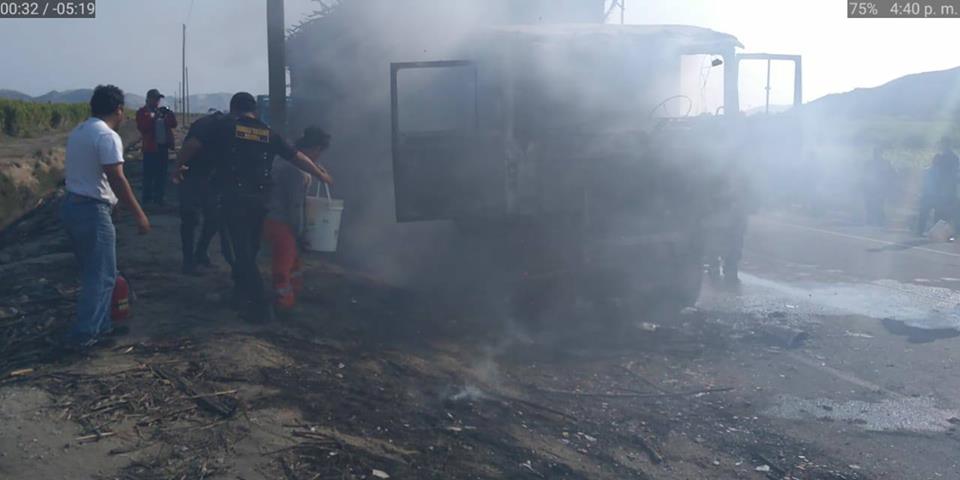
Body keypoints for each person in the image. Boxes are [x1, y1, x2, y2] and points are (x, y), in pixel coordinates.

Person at [174, 92, 333, 323]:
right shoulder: (267, 132)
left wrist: (178, 166)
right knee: (250, 249)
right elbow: (296, 157)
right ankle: (241, 297)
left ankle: (259, 305)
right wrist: (319, 174)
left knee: (239, 254)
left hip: (231, 199)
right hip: (260, 203)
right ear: (255, 110)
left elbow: (192, 144)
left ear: (233, 109)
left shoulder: (223, 127)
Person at [60, 85, 151, 350]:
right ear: (119, 110)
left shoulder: (79, 131)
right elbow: (117, 177)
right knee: (101, 277)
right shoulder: (107, 136)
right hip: (91, 212)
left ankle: (99, 327)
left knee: (94, 273)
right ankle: (86, 335)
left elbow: (95, 174)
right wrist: (139, 215)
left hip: (73, 207)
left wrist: (111, 201)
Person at [264, 127, 332, 314]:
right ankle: (282, 303)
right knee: (283, 265)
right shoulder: (295, 171)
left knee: (291, 261)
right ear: (315, 148)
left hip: (271, 216)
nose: (319, 157)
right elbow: (295, 205)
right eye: (319, 152)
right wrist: (300, 232)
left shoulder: (285, 159)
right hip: (279, 221)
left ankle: (293, 294)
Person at [177, 110, 234, 274]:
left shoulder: (218, 124)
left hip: (210, 177)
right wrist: (178, 167)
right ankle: (189, 262)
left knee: (211, 218)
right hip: (194, 175)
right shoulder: (212, 126)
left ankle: (198, 255)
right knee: (193, 218)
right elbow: (191, 145)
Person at [136, 89, 177, 206]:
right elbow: (143, 127)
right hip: (150, 148)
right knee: (149, 175)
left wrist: (169, 114)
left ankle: (159, 198)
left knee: (162, 174)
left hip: (163, 147)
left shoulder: (161, 113)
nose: (157, 101)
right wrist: (154, 117)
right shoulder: (143, 112)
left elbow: (173, 124)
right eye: (155, 98)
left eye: (158, 99)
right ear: (148, 99)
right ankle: (147, 199)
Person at [916, 141, 959, 235]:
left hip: (935, 195)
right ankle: (927, 231)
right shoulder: (930, 170)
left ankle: (931, 232)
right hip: (933, 195)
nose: (937, 161)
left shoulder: (935, 171)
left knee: (934, 214)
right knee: (930, 214)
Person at [862, 147, 894, 227]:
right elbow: (863, 175)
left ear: (881, 153)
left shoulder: (885, 163)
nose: (876, 154)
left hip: (880, 187)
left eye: (878, 153)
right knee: (870, 203)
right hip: (871, 186)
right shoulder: (869, 163)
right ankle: (870, 220)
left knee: (879, 203)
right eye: (875, 153)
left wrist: (888, 184)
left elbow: (891, 174)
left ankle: (879, 220)